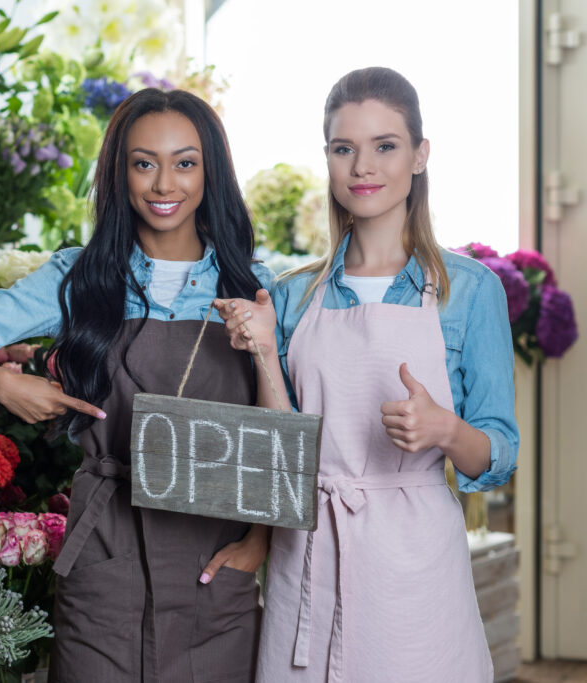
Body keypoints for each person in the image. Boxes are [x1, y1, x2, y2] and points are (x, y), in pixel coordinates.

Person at [0, 88, 278, 682]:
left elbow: (282, 431)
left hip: (215, 560)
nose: (163, 184)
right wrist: (0, 384)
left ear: (212, 174)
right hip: (106, 553)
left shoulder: (256, 287)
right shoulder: (80, 279)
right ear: (119, 173)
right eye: (143, 163)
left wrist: (258, 544)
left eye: (185, 163)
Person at [219, 66, 518, 682]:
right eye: (343, 148)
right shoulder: (294, 295)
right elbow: (283, 453)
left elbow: (500, 454)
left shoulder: (468, 290)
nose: (363, 167)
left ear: (419, 156)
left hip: (416, 570)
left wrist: (443, 430)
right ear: (326, 158)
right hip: (308, 554)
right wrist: (263, 354)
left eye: (385, 146)